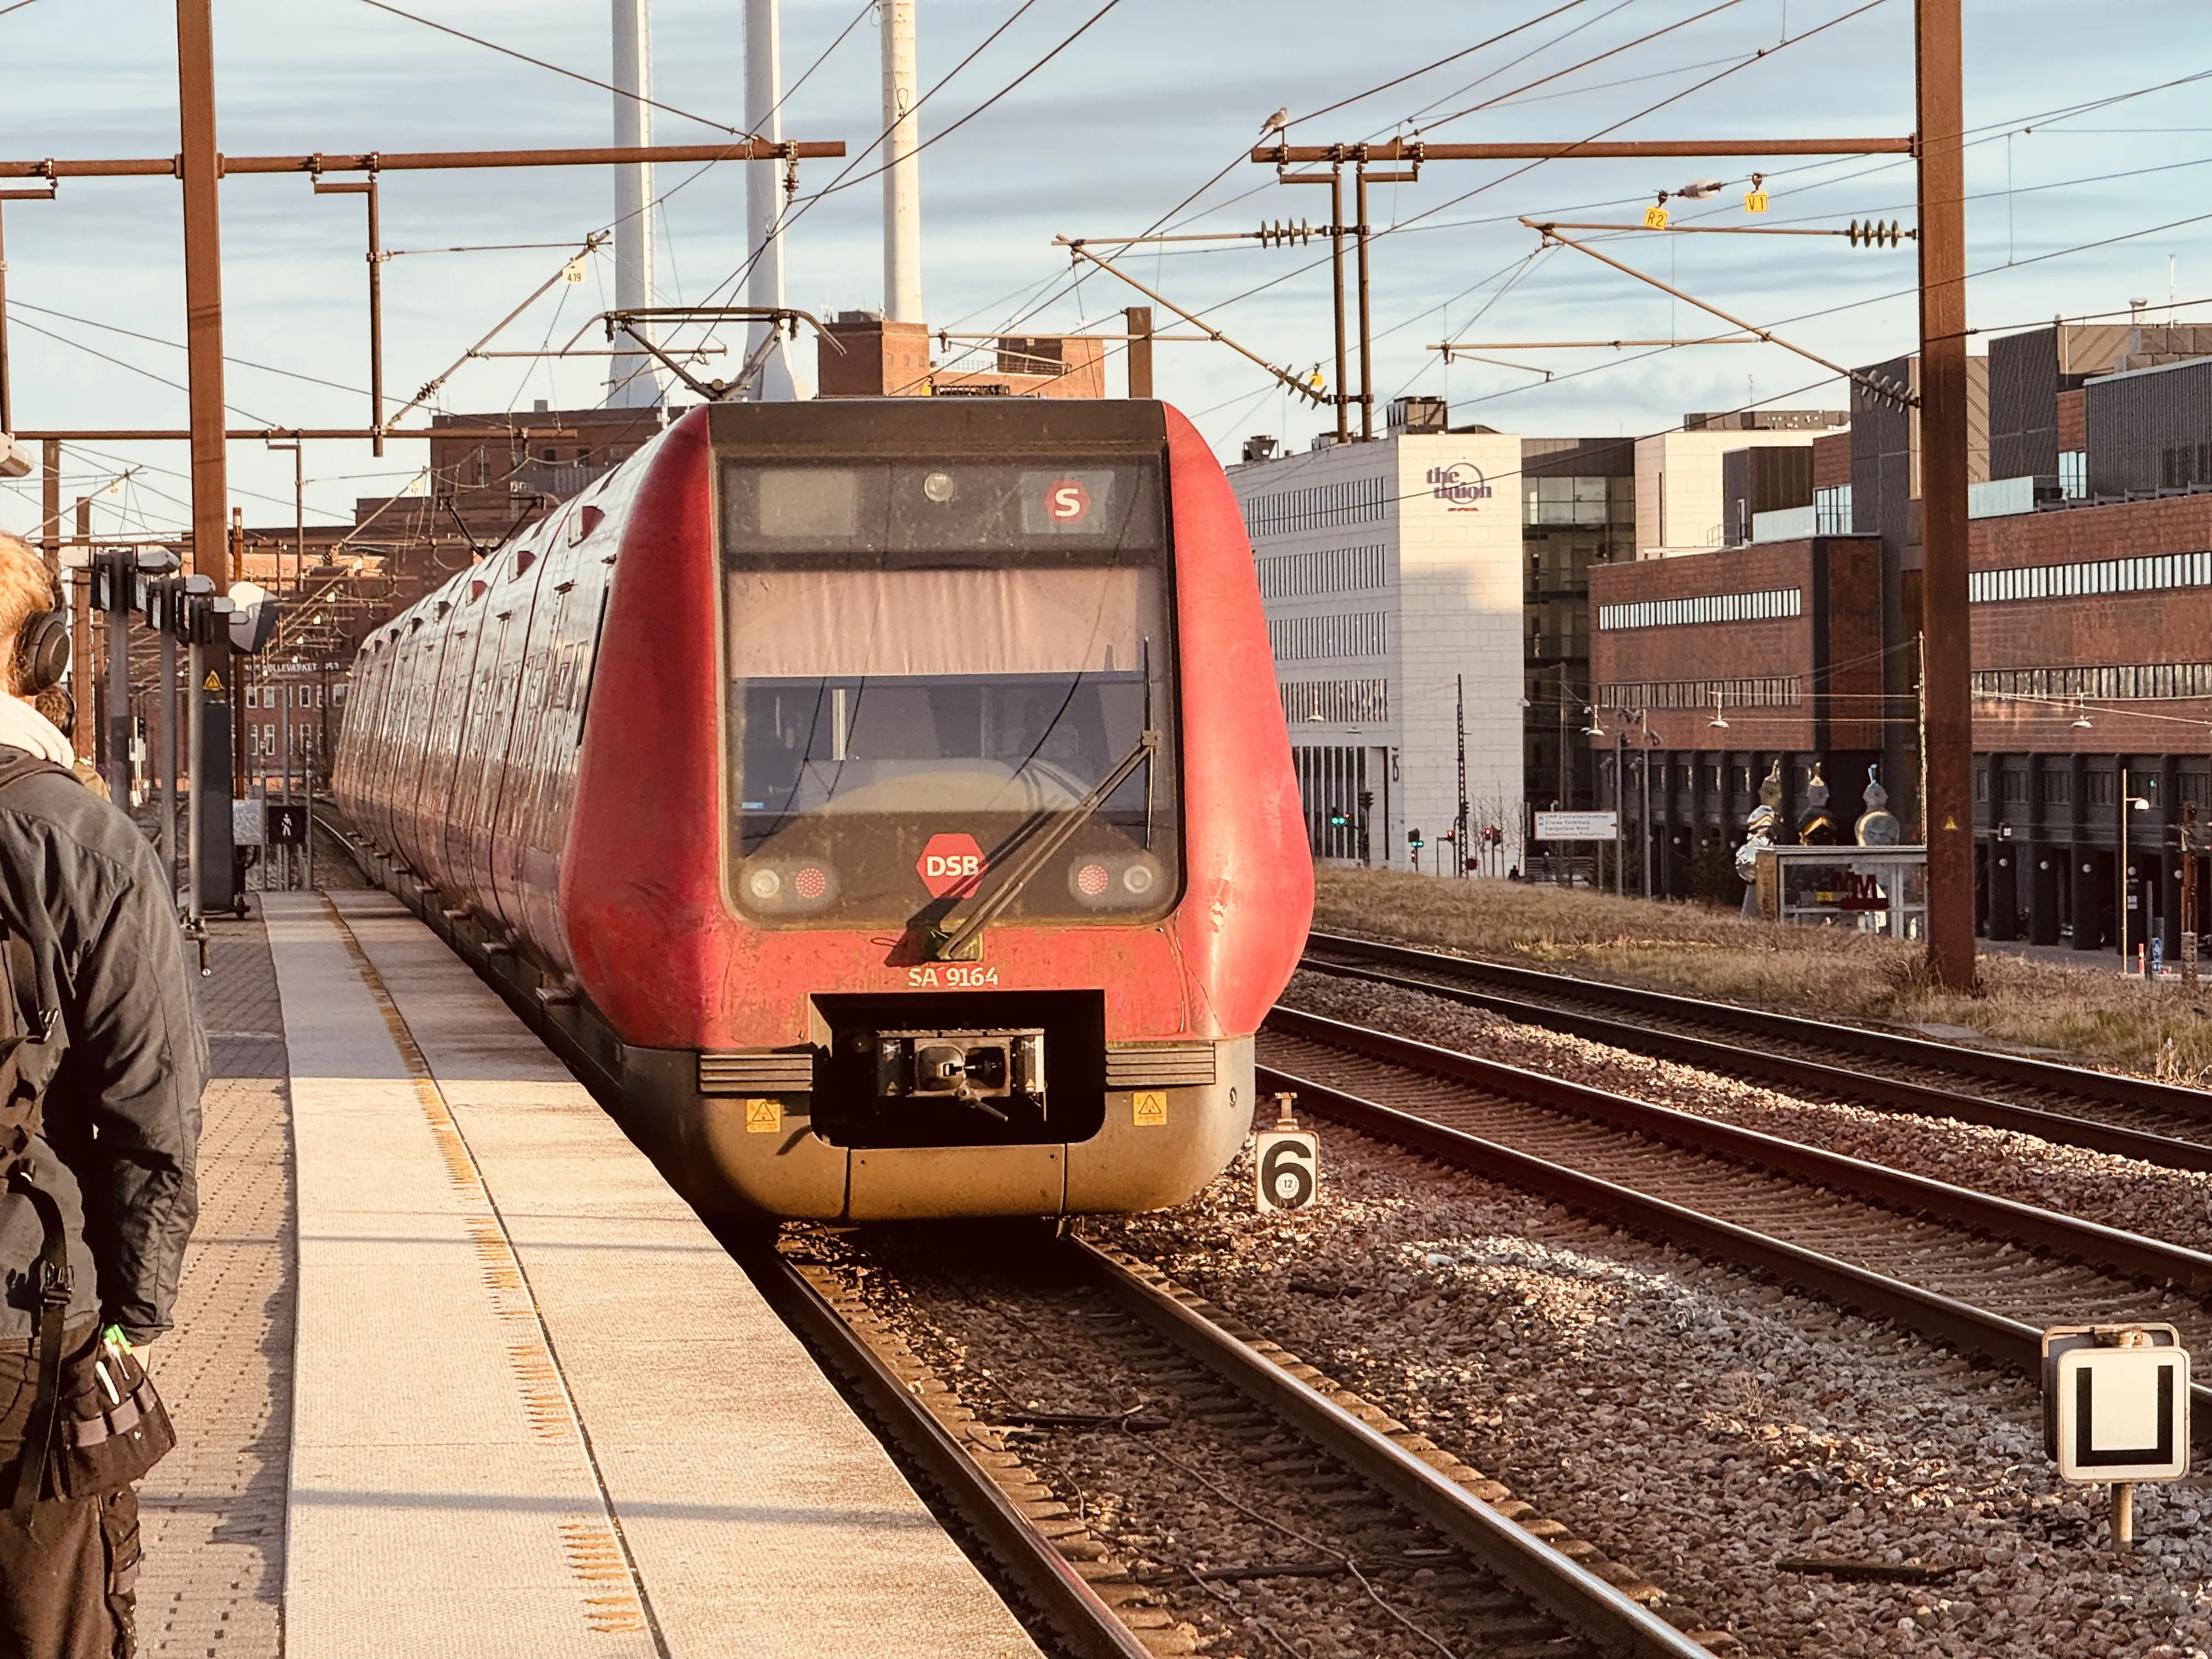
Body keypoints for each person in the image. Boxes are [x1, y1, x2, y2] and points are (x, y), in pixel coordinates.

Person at [0, 530, 202, 1658]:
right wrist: (135, 1316)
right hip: (26, 1328)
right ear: (41, 655)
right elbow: (151, 1114)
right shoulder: (77, 837)